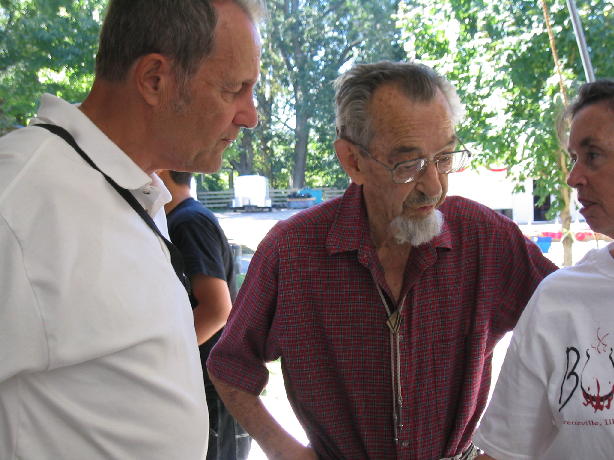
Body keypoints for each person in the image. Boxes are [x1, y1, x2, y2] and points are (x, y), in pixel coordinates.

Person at [207, 61, 558, 460]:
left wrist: (505, 445)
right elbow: (231, 366)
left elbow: (570, 326)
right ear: (352, 161)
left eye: (444, 157)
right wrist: (284, 450)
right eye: (408, 165)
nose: (434, 187)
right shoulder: (293, 253)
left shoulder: (482, 237)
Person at [0, 0, 264, 458]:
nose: (250, 115)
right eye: (233, 89)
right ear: (154, 79)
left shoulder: (133, 188)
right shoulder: (20, 201)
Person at [474, 80, 614, 459]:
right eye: (573, 158)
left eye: (594, 156)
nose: (573, 178)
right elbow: (505, 451)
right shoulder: (559, 298)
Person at [159, 170, 252, 460]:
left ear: (161, 172)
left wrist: (163, 360)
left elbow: (216, 309)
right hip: (198, 383)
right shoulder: (177, 220)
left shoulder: (188, 222)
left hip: (211, 386)